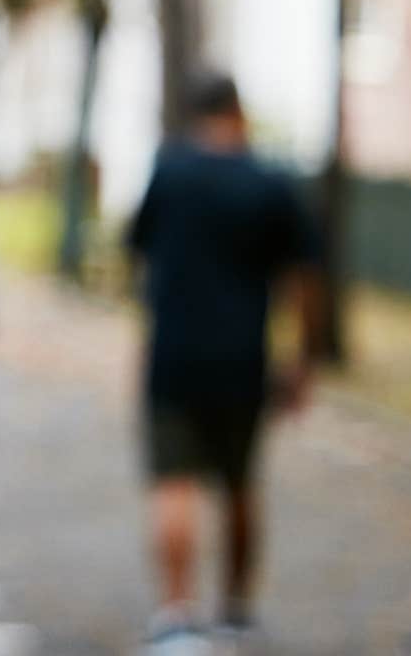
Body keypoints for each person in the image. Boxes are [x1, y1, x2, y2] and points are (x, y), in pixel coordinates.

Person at [124, 73, 323, 649]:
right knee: (239, 483)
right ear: (239, 111)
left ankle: (177, 613)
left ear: (194, 113)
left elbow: (140, 257)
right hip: (243, 356)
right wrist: (303, 359)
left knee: (173, 481)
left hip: (174, 353)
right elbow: (303, 278)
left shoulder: (170, 172)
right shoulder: (270, 182)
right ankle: (235, 607)